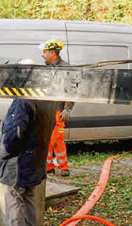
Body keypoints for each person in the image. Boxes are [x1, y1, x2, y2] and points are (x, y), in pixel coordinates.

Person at [0, 60, 58, 226]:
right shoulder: (47, 97)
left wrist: (4, 154)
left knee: (14, 199)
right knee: (28, 196)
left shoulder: (24, 100)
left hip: (18, 161)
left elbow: (15, 133)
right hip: (36, 157)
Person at [41, 39, 75, 177]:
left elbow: (71, 89)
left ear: (52, 53)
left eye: (44, 52)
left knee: (57, 139)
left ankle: (63, 167)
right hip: (45, 110)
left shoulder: (65, 68)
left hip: (57, 110)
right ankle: (48, 166)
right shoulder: (45, 68)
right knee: (45, 139)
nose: (42, 55)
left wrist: (68, 108)